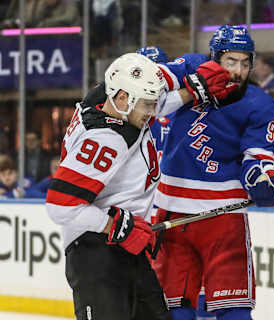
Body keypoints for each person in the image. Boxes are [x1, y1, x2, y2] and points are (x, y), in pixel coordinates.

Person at [151, 25, 274, 320]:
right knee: (175, 309)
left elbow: (259, 153)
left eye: (245, 62)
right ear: (215, 57)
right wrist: (190, 88)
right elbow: (152, 87)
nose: (238, 71)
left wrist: (262, 177)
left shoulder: (259, 104)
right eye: (231, 61)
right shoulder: (192, 66)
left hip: (223, 215)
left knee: (233, 309)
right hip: (173, 212)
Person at [45, 53, 172, 320]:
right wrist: (113, 225)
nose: (152, 113)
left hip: (124, 249)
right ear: (123, 98)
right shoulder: (107, 139)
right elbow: (59, 204)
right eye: (147, 105)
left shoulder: (101, 100)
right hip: (96, 254)